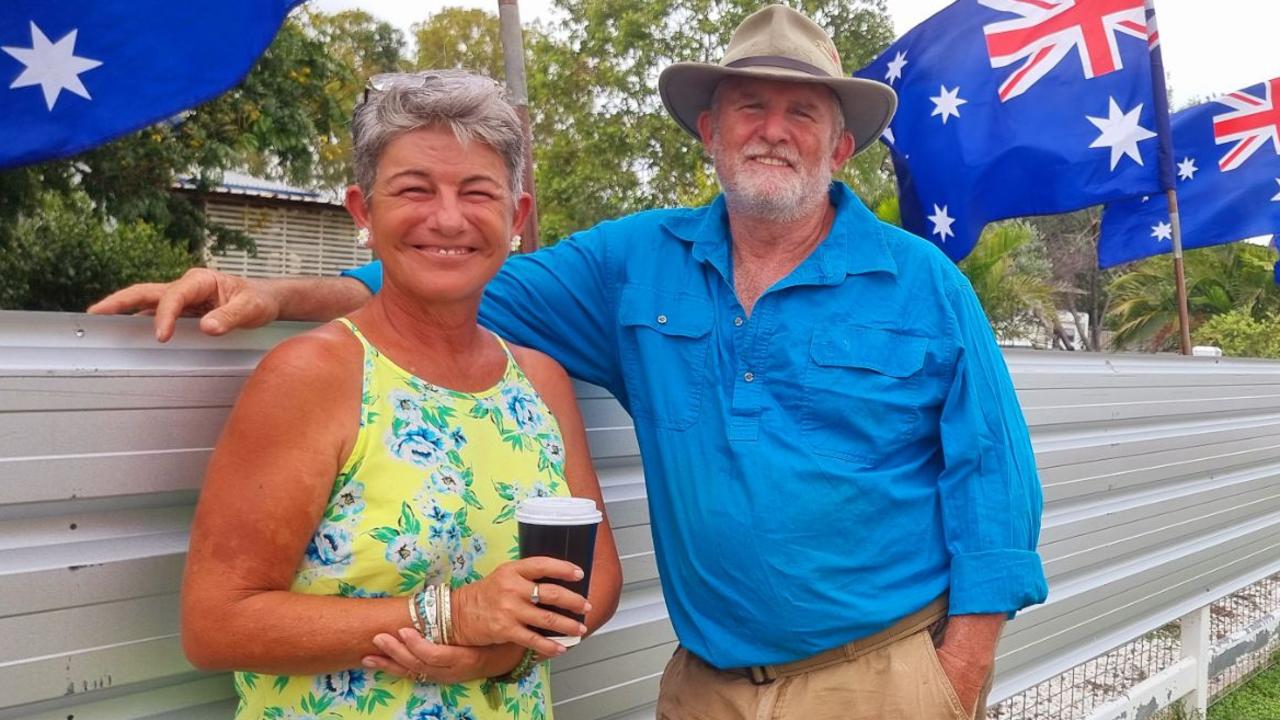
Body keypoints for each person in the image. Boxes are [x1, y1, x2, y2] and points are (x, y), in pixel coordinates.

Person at [95, 6, 1047, 719]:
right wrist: (270, 291)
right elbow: (445, 274)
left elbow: (996, 496)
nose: (772, 128)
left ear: (841, 144)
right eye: (746, 105)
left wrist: (950, 684)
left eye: (803, 112)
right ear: (707, 133)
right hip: (705, 685)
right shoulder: (632, 262)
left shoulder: (924, 284)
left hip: (879, 679)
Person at [177, 69, 622, 720]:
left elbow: (599, 579)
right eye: (415, 189)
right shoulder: (313, 375)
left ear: (515, 216)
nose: (448, 218)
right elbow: (215, 624)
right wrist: (452, 613)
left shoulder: (540, 381)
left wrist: (500, 654)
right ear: (363, 211)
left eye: (478, 192)